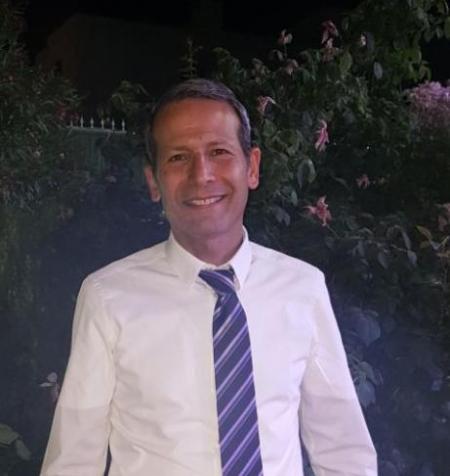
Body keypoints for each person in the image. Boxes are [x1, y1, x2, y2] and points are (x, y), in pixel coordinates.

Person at [41, 79, 377, 476]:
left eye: (219, 152)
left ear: (252, 167)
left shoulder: (302, 288)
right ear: (153, 181)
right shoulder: (108, 297)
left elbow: (342, 450)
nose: (201, 175)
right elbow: (75, 461)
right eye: (178, 157)